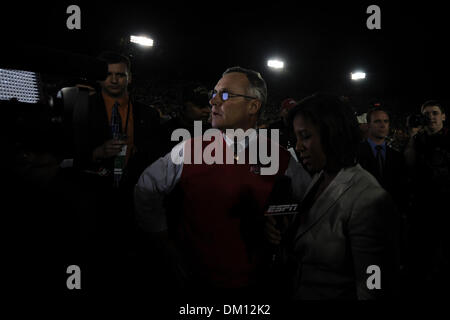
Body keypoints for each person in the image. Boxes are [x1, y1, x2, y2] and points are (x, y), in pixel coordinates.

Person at [135, 66, 311, 301]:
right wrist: (164, 243)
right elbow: (145, 189)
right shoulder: (188, 149)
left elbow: (311, 205)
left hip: (259, 283)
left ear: (253, 106)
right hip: (195, 281)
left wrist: (287, 228)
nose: (214, 101)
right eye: (213, 94)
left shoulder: (282, 158)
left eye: (225, 95)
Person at [265, 93, 398, 300]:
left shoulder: (368, 198)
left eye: (306, 136)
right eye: (297, 137)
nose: (298, 147)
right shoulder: (320, 177)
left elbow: (374, 284)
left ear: (333, 134)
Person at [73, 51, 163, 293]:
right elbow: (63, 154)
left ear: (129, 78)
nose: (114, 80)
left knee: (129, 266)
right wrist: (95, 154)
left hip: (132, 201)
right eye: (109, 75)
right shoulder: (80, 108)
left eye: (120, 75)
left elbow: (157, 157)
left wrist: (139, 155)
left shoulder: (148, 114)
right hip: (91, 200)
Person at [403, 100, 449, 298]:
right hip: (422, 206)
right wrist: (412, 137)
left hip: (446, 205)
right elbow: (409, 165)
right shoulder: (418, 139)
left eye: (435, 113)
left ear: (443, 116)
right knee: (422, 254)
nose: (431, 117)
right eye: (427, 113)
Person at [160, 83, 212, 154]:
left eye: (209, 106)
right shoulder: (164, 133)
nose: (208, 110)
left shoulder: (214, 131)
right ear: (182, 106)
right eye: (201, 106)